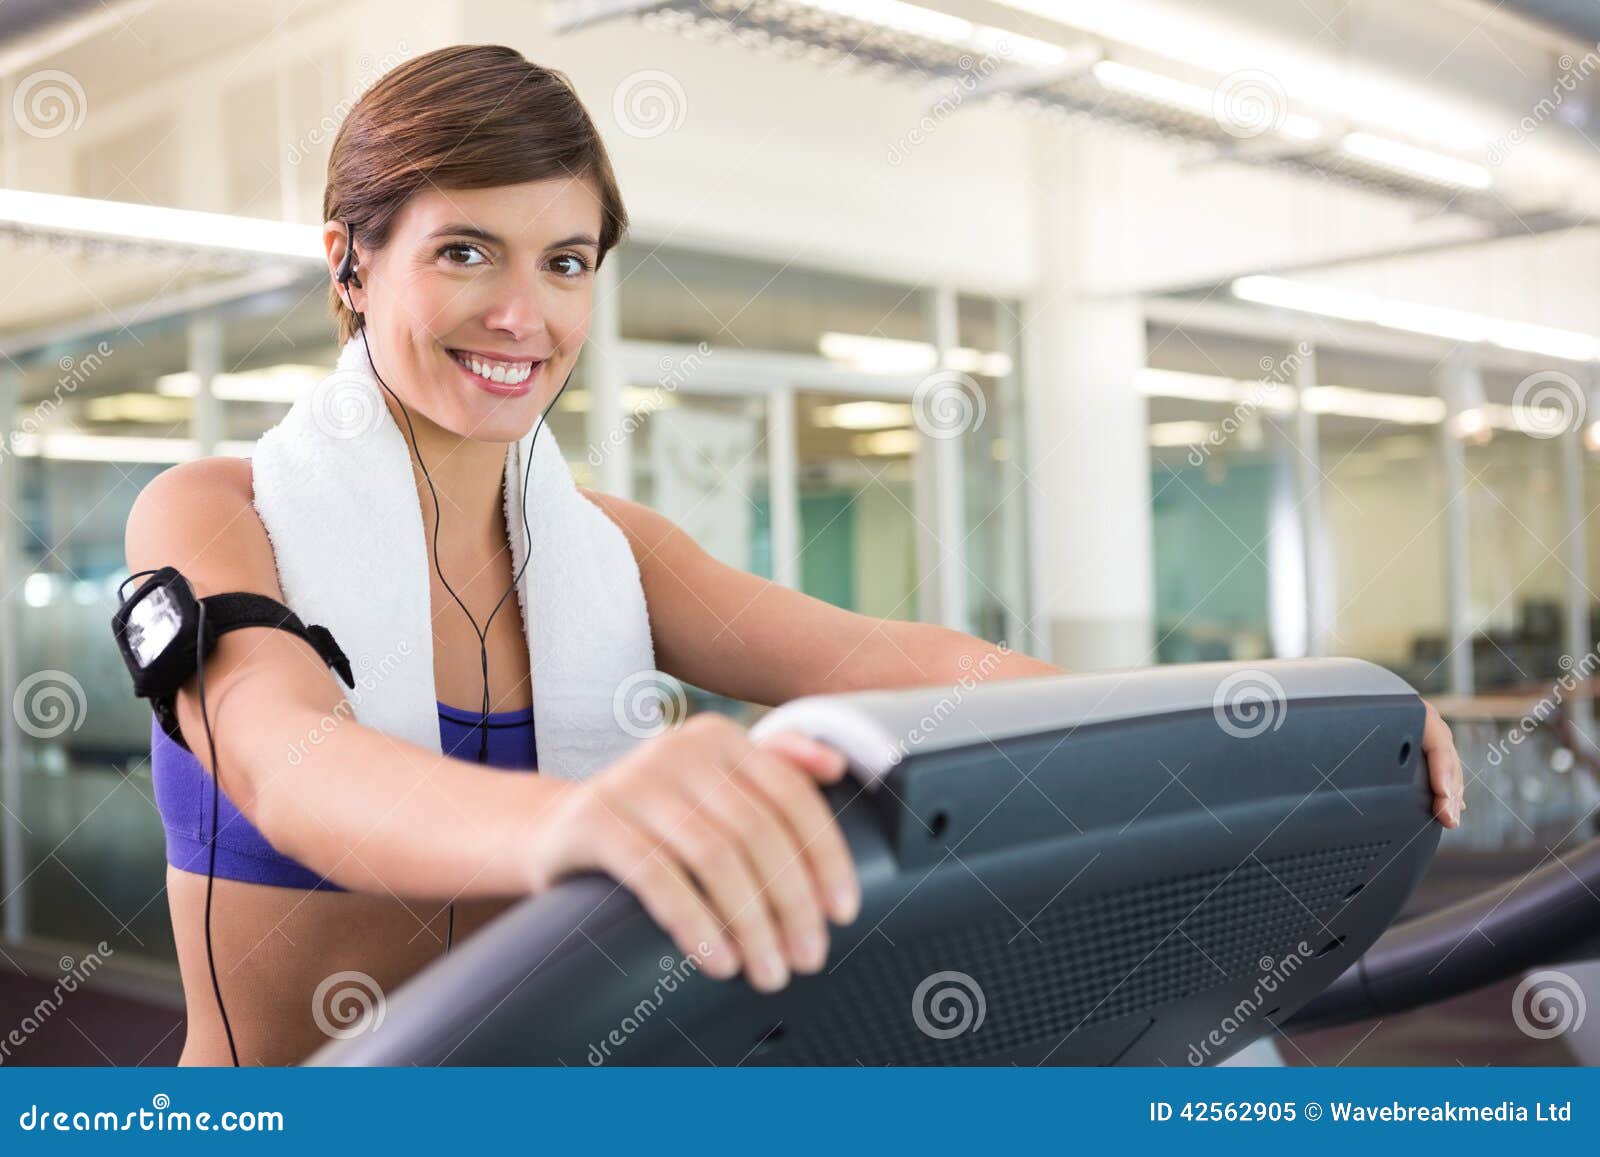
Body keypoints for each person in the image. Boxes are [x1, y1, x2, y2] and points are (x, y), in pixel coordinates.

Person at [122, 45, 1464, 1066]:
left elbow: (907, 665)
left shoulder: (612, 549)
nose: (523, 314)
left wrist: (1280, 742)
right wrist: (582, 821)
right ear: (350, 263)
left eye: (569, 260)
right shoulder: (213, 512)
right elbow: (293, 763)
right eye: (464, 251)